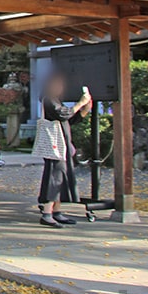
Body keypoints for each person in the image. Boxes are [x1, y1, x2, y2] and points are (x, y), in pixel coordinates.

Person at [38, 73, 91, 228]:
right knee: (54, 177)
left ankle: (57, 211)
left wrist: (84, 109)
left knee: (61, 178)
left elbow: (70, 119)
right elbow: (63, 114)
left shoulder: (56, 100)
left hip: (62, 146)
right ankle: (47, 212)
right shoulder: (48, 99)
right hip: (55, 146)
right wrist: (80, 103)